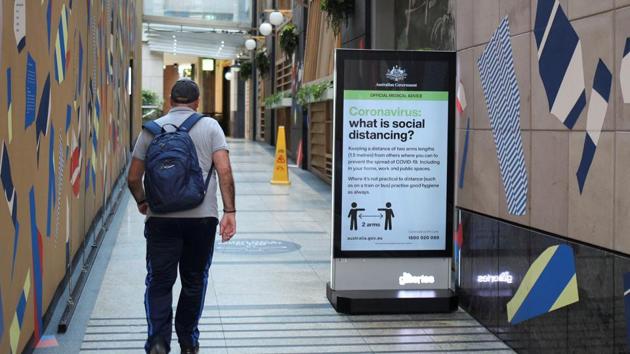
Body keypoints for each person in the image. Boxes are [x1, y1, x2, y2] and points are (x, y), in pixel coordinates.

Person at [127, 78, 236, 354]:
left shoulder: (151, 131)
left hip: (160, 218)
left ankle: (158, 342)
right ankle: (188, 341)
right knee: (194, 279)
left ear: (170, 101)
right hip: (202, 219)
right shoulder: (211, 127)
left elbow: (133, 178)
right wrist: (230, 212)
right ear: (197, 102)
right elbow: (224, 171)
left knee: (159, 281)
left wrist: (143, 202)